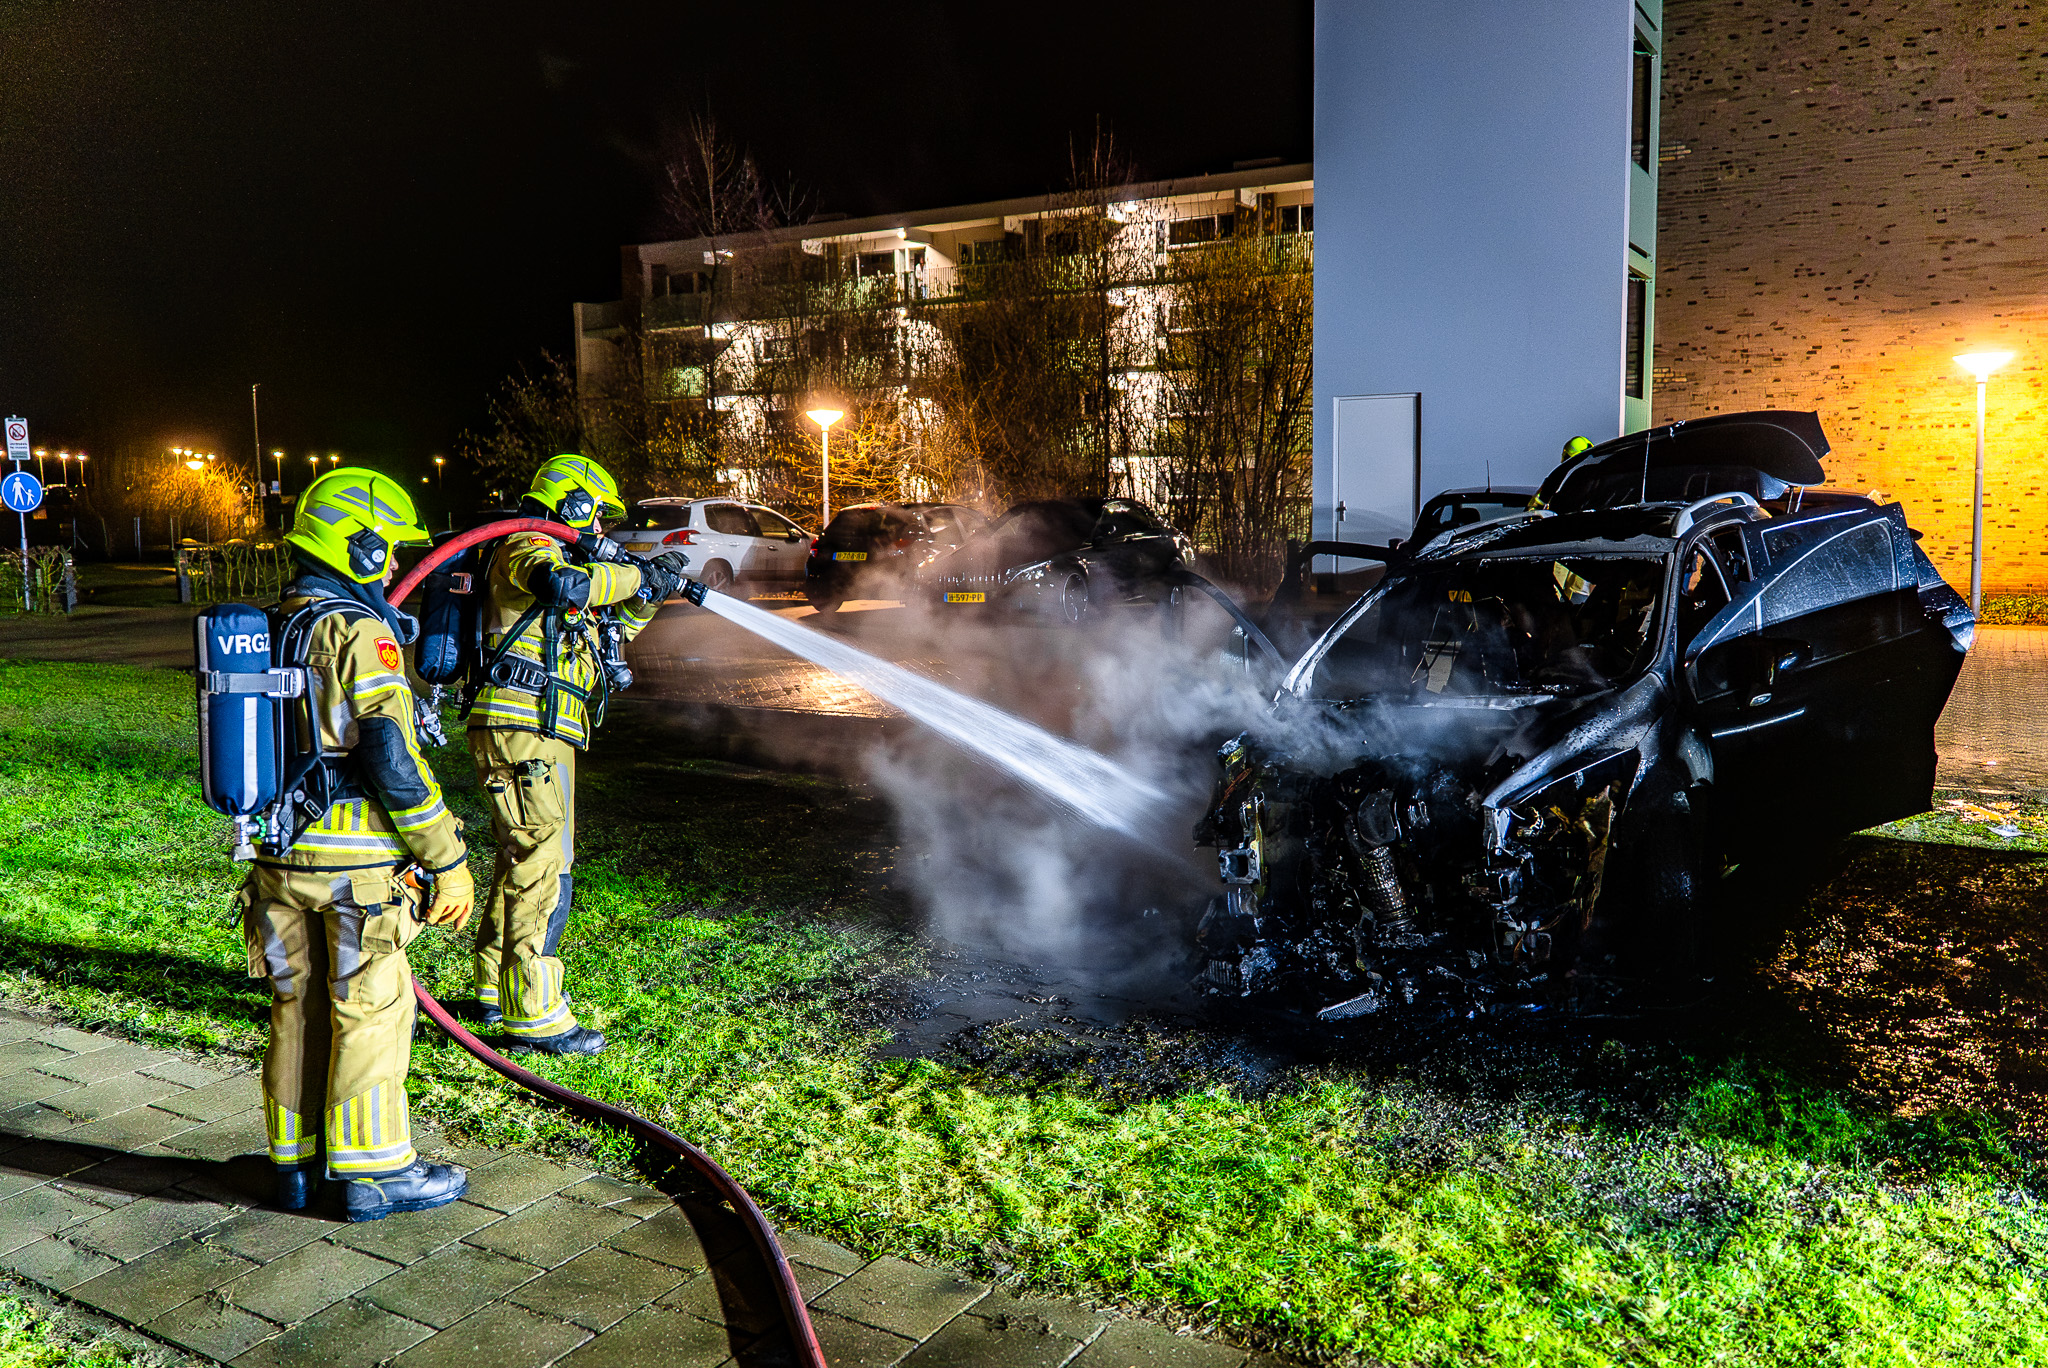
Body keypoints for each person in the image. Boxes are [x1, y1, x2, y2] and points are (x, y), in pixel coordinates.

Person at [243, 467, 474, 1221]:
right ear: (363, 546)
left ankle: (296, 1169)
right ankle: (375, 1174)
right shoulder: (357, 632)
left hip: (277, 862)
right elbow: (391, 760)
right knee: (370, 1011)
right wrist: (447, 857)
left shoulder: (271, 625)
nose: (399, 565)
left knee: (295, 1009)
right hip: (358, 872)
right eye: (392, 550)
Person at [467, 454, 687, 1055]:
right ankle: (534, 1012)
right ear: (573, 504)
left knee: (531, 856)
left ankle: (495, 989)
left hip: (546, 730)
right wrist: (637, 577)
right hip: (521, 726)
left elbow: (612, 628)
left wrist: (652, 592)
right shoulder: (527, 549)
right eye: (598, 519)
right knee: (542, 860)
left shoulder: (572, 565)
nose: (601, 534)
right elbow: (565, 587)